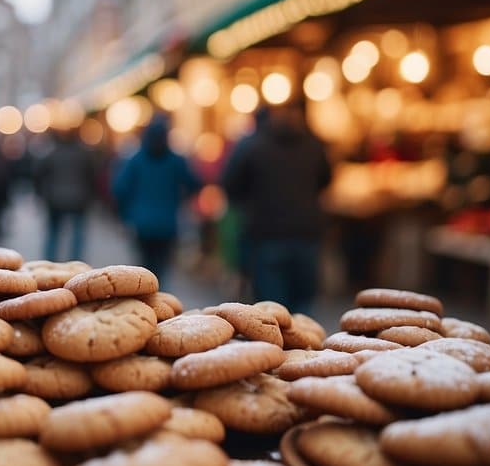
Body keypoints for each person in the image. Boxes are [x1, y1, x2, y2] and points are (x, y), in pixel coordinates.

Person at [221, 99, 331, 314]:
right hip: (306, 232)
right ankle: (304, 346)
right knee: (303, 307)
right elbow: (326, 180)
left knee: (272, 309)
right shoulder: (313, 144)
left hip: (266, 235)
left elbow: (230, 185)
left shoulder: (250, 146)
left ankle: (279, 347)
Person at [111, 117, 200, 284]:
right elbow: (193, 183)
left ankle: (146, 300)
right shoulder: (175, 160)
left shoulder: (136, 160)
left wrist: (125, 215)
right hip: (167, 223)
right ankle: (161, 303)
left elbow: (120, 188)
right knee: (162, 269)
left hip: (141, 223)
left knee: (144, 268)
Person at [36, 127, 96, 261]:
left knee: (53, 233)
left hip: (55, 199)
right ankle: (76, 264)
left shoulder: (52, 153)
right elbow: (92, 177)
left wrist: (42, 194)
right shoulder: (84, 154)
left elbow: (39, 175)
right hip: (79, 199)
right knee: (77, 235)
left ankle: (49, 262)